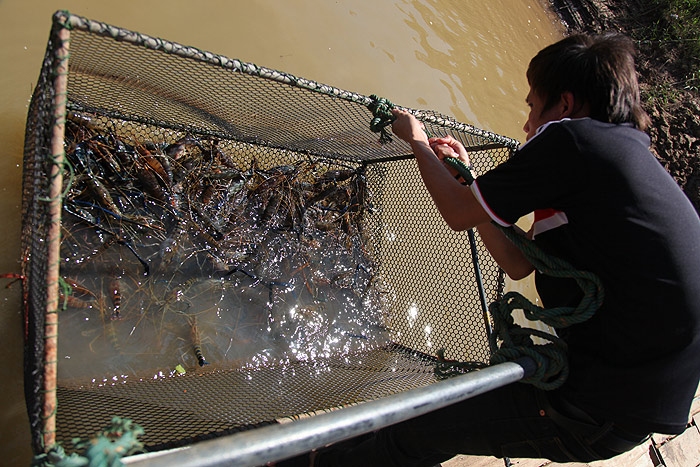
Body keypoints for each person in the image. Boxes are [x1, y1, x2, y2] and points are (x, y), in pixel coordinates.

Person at [280, 32, 700, 466]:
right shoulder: (615, 158)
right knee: (425, 416)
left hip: (599, 409)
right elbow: (517, 262)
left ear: (566, 105)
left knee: (422, 429)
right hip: (626, 394)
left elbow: (459, 215)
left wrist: (417, 140)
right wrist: (469, 181)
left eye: (533, 106)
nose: (526, 124)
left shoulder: (573, 141)